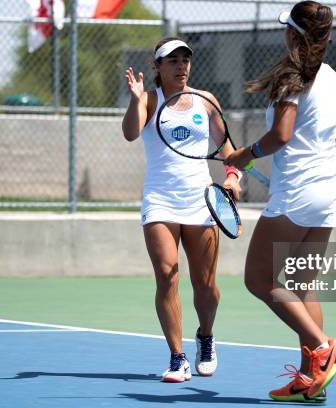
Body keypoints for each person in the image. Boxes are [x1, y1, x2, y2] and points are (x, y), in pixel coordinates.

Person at [224, 1, 336, 403]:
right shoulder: (332, 78)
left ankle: (322, 347)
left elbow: (281, 135)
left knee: (258, 280)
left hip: (297, 193)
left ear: (294, 34)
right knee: (300, 285)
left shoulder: (291, 76)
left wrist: (245, 155)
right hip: (330, 191)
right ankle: (310, 381)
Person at [122, 37, 241, 383]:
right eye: (172, 60)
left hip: (202, 201)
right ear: (158, 66)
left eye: (185, 59)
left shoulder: (206, 102)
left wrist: (232, 177)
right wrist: (134, 100)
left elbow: (228, 148)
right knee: (167, 274)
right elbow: (131, 133)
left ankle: (205, 335)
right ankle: (178, 358)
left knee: (206, 285)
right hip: (160, 200)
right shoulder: (147, 100)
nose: (181, 66)